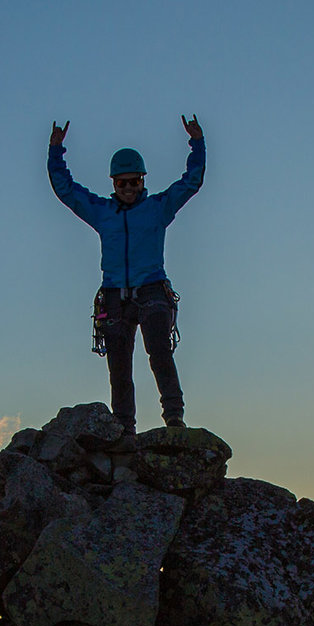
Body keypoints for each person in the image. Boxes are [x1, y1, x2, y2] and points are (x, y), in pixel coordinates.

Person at [47, 114, 204, 431]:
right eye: (123, 183)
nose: (129, 188)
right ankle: (124, 427)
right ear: (114, 184)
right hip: (115, 297)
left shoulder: (158, 208)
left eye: (135, 181)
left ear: (143, 181)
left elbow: (192, 182)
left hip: (152, 291)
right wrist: (55, 151)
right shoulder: (102, 213)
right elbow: (67, 191)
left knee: (159, 352)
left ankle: (174, 416)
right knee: (119, 367)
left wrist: (197, 143)